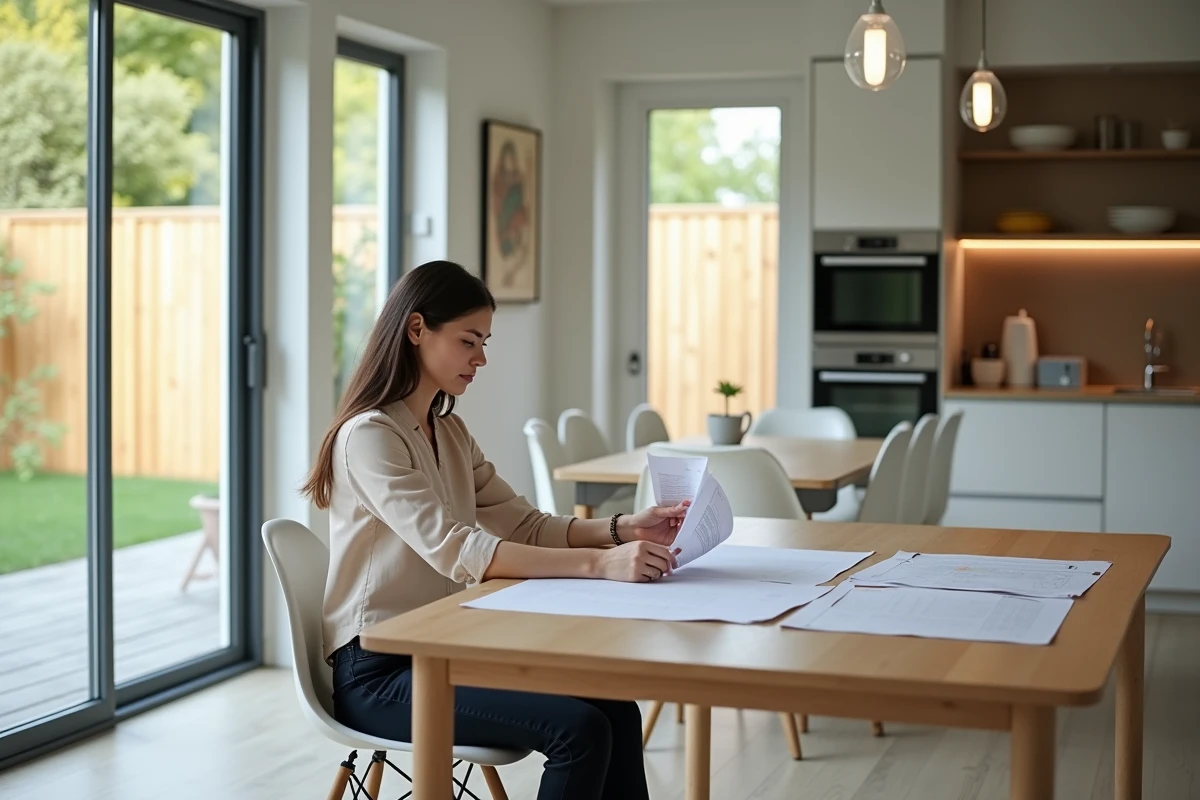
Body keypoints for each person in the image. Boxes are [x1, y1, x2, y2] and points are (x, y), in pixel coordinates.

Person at [302, 259, 688, 800]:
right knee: (576, 731)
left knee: (613, 707)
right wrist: (602, 565)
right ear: (417, 330)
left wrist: (623, 529)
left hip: (445, 649)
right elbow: (455, 549)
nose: (481, 358)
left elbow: (525, 524)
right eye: (468, 341)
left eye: (484, 341)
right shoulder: (370, 436)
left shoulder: (449, 431)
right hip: (379, 674)